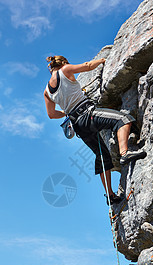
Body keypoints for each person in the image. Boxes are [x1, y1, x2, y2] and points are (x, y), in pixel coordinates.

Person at [44, 55, 146, 205]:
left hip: (78, 125)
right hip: (88, 115)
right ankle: (125, 153)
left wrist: (66, 112)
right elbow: (87, 65)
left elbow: (51, 115)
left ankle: (110, 195)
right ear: (64, 63)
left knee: (102, 155)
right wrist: (102, 61)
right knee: (122, 120)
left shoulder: (47, 91)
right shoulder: (65, 70)